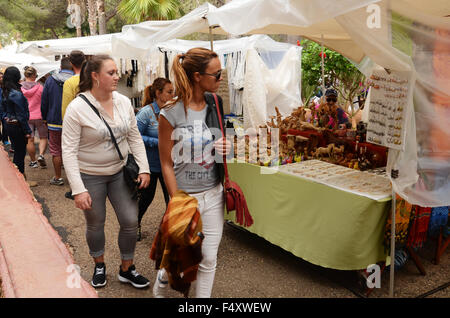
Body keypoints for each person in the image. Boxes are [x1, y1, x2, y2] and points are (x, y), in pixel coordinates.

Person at [62, 54, 151, 289]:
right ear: (95, 76)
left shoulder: (122, 101)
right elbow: (68, 151)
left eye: (116, 72)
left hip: (120, 172)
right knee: (96, 222)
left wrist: (144, 168)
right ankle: (99, 263)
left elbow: (134, 136)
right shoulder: (77, 108)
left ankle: (127, 268)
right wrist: (78, 190)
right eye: (111, 73)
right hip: (90, 174)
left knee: (130, 220)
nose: (117, 76)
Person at [156, 47, 231, 298]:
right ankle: (162, 279)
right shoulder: (170, 112)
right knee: (180, 253)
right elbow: (165, 162)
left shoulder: (216, 103)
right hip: (185, 196)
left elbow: (220, 148)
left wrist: (224, 146)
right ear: (197, 76)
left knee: (208, 258)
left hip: (214, 192)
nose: (221, 79)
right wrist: (176, 201)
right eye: (217, 74)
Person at [135, 78, 173, 241]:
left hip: (170, 165)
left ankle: (166, 230)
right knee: (145, 199)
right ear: (158, 93)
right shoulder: (146, 113)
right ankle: (134, 225)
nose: (173, 95)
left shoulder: (174, 111)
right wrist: (158, 143)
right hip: (149, 166)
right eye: (169, 92)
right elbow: (134, 137)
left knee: (172, 200)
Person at [41, 57, 74, 185]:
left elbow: (45, 101)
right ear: (71, 67)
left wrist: (45, 118)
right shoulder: (76, 80)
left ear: (60, 67)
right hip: (73, 121)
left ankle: (58, 177)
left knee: (55, 150)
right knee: (72, 149)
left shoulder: (50, 80)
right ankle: (74, 180)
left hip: (54, 121)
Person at [62, 50, 86, 199]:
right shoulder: (91, 78)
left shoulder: (70, 82)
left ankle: (77, 188)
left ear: (71, 64)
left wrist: (66, 124)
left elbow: (66, 107)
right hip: (90, 122)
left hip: (75, 122)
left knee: (74, 155)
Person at [0, 67, 32, 175]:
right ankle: (20, 178)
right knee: (20, 154)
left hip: (9, 125)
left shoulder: (5, 90)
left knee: (17, 153)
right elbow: (21, 115)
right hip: (17, 126)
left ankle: (19, 177)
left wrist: (6, 120)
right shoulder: (15, 93)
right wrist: (27, 131)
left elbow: (2, 110)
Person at [21, 66, 47, 168]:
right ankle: (41, 155)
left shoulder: (20, 88)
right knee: (43, 137)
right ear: (34, 76)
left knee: (30, 139)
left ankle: (33, 161)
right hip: (40, 116)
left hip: (27, 117)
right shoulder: (40, 87)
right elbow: (45, 102)